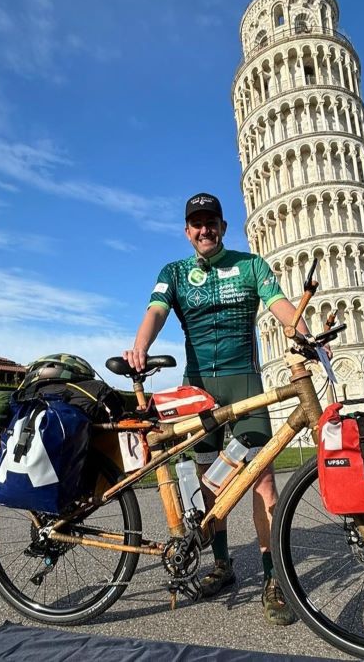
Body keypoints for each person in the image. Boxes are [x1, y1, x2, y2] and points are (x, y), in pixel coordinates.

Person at [123, 192, 311, 626]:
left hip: (244, 381)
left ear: (223, 227)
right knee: (210, 483)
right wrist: (140, 346)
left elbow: (282, 305)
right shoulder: (173, 272)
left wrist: (304, 333)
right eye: (196, 223)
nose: (204, 229)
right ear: (187, 231)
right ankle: (223, 565)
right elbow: (155, 311)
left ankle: (273, 578)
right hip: (199, 391)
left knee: (262, 481)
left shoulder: (250, 265)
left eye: (212, 222)